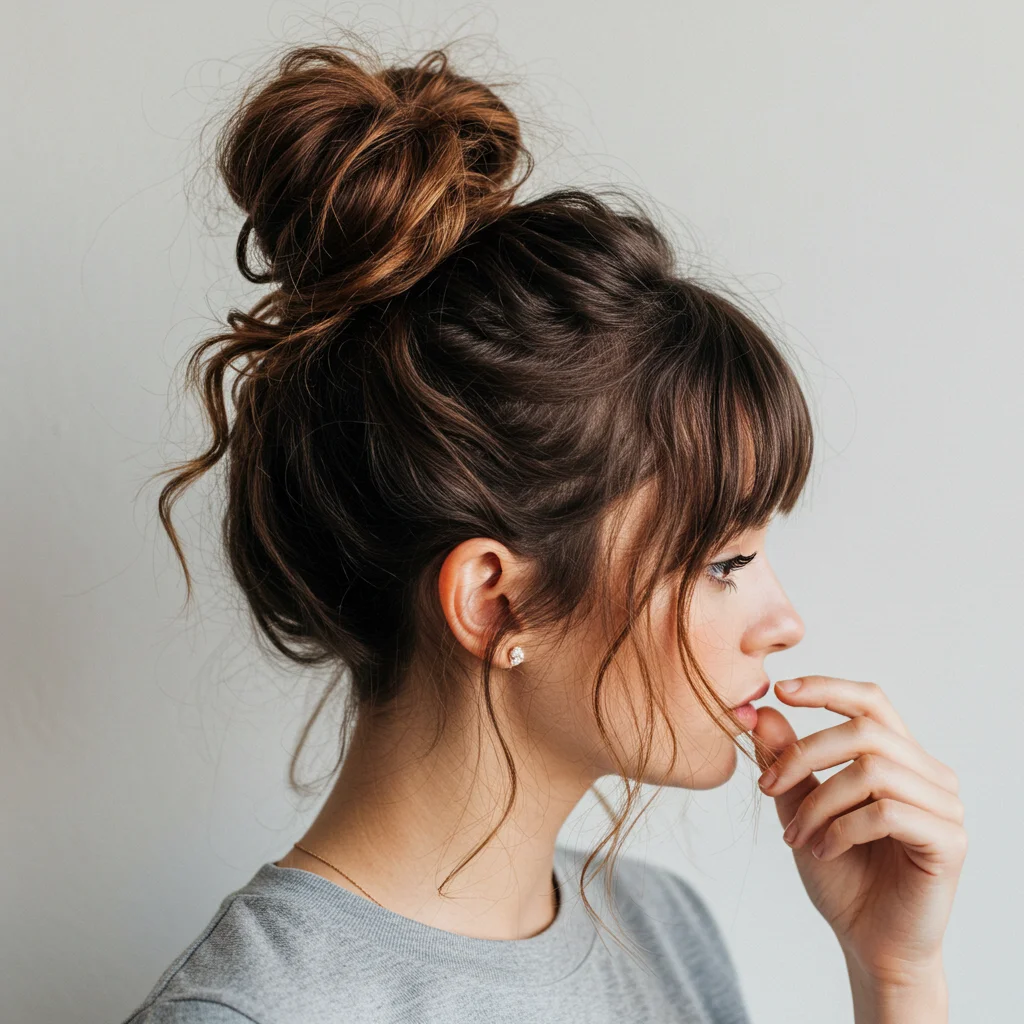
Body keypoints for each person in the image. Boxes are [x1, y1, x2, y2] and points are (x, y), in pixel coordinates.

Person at [121, 38, 966, 1024]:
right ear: (495, 596)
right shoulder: (253, 1013)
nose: (783, 620)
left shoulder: (660, 929)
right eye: (726, 560)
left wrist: (896, 975)